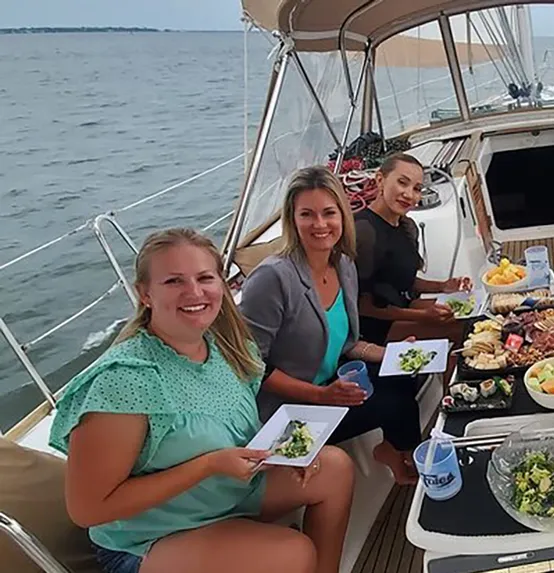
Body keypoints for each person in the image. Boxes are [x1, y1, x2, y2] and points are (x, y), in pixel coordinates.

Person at [49, 228, 354, 573]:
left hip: (226, 495)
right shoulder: (125, 380)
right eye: (174, 282)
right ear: (144, 294)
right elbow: (88, 509)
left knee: (335, 468)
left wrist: (285, 453)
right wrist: (209, 465)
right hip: (152, 536)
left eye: (205, 277)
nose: (194, 292)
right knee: (293, 553)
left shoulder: (225, 346)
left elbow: (232, 434)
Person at [240, 166, 421, 485]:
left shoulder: (343, 264)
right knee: (394, 403)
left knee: (405, 375)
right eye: (307, 214)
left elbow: (349, 343)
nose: (320, 224)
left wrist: (394, 354)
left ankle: (396, 450)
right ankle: (409, 458)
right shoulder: (273, 278)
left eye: (329, 213)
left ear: (342, 215)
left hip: (330, 383)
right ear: (292, 220)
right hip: (292, 408)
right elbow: (252, 366)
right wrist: (322, 394)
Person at [354, 153, 472, 352]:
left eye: (417, 189)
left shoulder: (406, 225)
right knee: (463, 329)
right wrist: (423, 317)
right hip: (376, 329)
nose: (409, 195)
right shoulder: (364, 232)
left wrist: (443, 286)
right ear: (380, 180)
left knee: (468, 314)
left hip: (404, 308)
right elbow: (363, 306)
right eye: (402, 183)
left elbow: (403, 280)